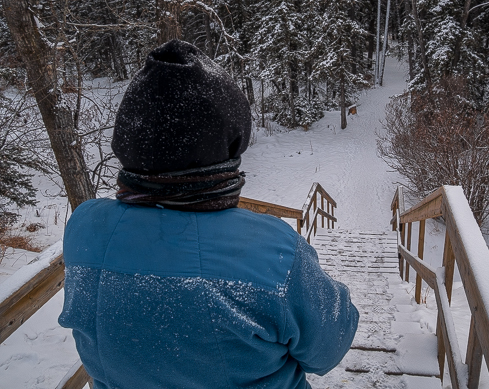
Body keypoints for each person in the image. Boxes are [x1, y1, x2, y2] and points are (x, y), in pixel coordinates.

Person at [59, 39, 359, 389]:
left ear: (129, 140)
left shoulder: (84, 227)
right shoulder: (275, 252)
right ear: (232, 142)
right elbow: (328, 350)